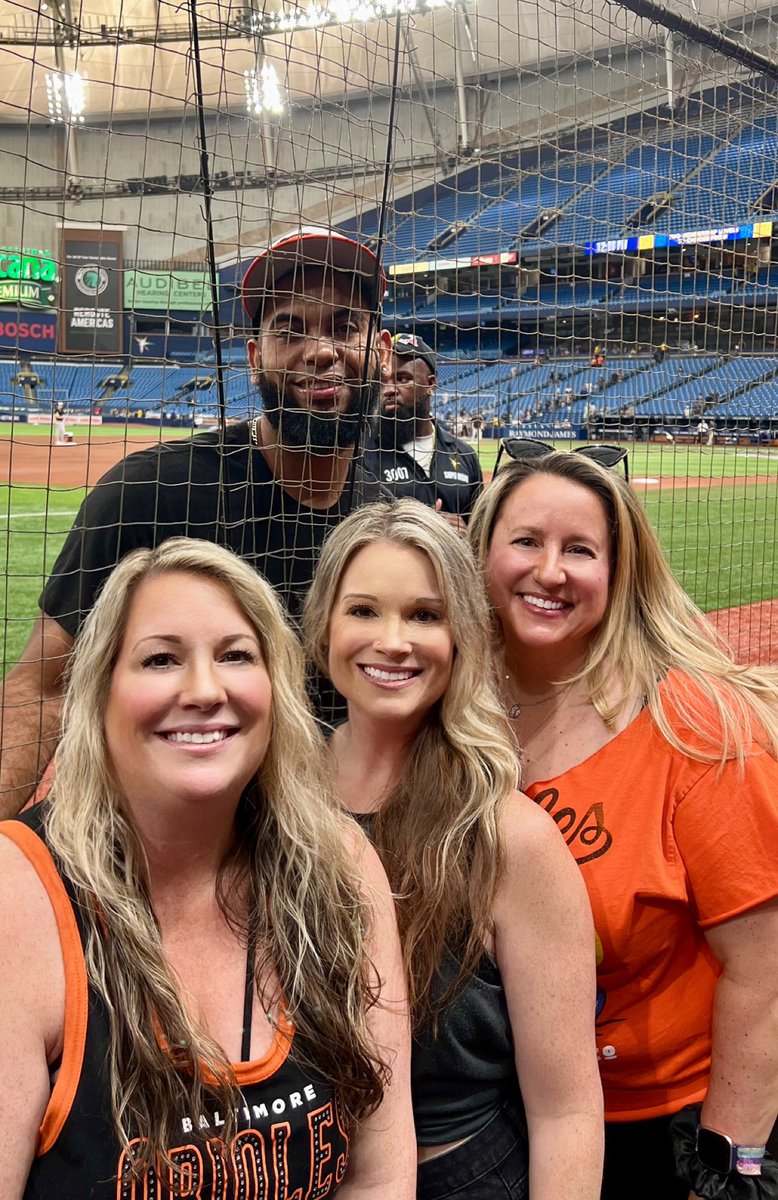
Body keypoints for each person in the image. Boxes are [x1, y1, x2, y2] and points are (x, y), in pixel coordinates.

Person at [0, 537, 414, 1199]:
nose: (203, 689)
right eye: (161, 659)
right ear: (100, 692)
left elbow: (382, 1170)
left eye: (236, 656)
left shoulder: (341, 868)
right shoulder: (18, 899)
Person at [469, 450, 778, 1200]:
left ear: (618, 573)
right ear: (480, 555)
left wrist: (728, 1159)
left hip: (665, 1122)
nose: (550, 571)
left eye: (580, 550)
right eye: (526, 541)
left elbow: (766, 969)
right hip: (502, 1114)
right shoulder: (450, 712)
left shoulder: (695, 724)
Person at [0, 227, 392, 816]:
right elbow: (41, 691)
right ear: (255, 355)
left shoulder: (380, 523)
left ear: (382, 353)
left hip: (334, 851)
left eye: (345, 327)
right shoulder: (150, 493)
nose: (321, 350)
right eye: (289, 329)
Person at [303, 500, 604, 1200]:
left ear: (463, 635)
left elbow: (567, 1113)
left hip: (460, 1177)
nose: (394, 641)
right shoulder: (273, 802)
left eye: (425, 616)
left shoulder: (508, 836)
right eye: (364, 611)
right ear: (323, 626)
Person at [364, 333, 482, 530]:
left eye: (403, 378)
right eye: (383, 380)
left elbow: (481, 534)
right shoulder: (361, 453)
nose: (389, 389)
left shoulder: (464, 455)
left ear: (430, 384)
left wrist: (467, 536)